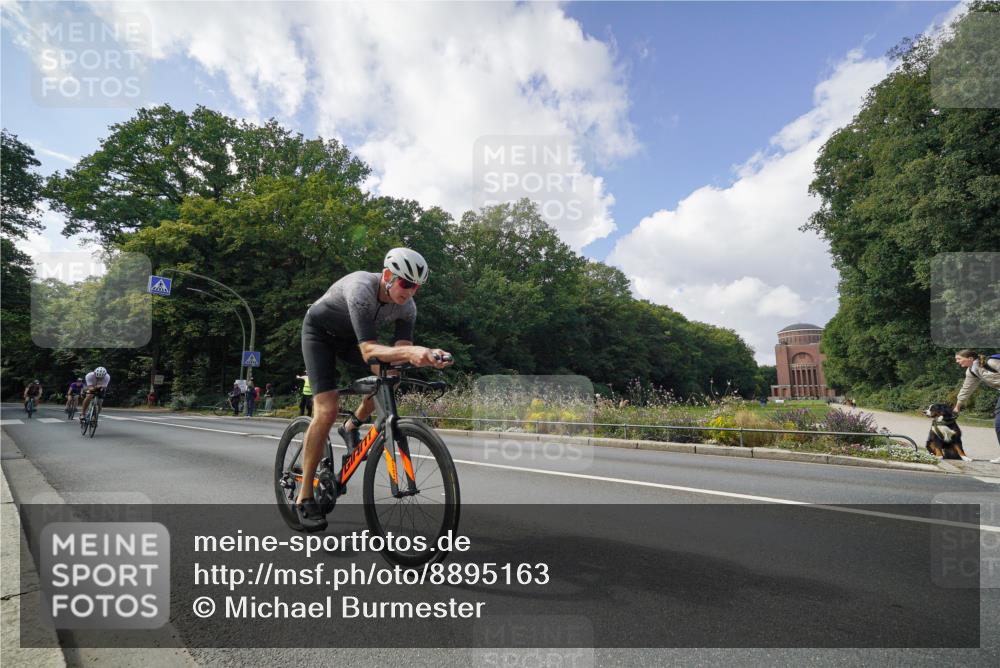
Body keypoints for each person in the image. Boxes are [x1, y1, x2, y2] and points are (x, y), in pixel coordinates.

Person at [295, 247, 453, 531]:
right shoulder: (361, 288)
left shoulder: (408, 307)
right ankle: (305, 495)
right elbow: (369, 351)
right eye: (405, 283)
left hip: (352, 341)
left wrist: (429, 356)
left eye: (416, 286)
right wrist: (413, 352)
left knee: (393, 375)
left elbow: (401, 353)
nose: (410, 291)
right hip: (320, 336)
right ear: (388, 276)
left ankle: (352, 426)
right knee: (327, 410)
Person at [953, 349, 1000, 464]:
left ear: (970, 358)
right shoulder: (972, 371)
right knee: (999, 424)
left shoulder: (992, 362)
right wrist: (957, 406)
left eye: (959, 359)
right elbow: (966, 389)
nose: (957, 361)